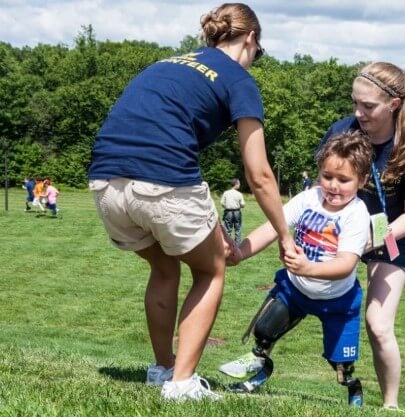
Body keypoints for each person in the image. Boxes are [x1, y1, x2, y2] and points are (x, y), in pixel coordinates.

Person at [87, 3, 295, 402]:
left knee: (165, 267)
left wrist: (215, 230)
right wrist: (284, 236)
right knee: (211, 272)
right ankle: (181, 384)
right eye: (259, 53)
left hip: (105, 183)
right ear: (250, 39)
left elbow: (164, 144)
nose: (255, 60)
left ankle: (162, 368)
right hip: (162, 181)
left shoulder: (165, 64)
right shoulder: (238, 79)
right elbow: (259, 174)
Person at [220, 132, 373, 407]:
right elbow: (273, 226)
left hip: (338, 301)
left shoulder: (357, 213)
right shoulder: (308, 198)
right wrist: (240, 252)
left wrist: (308, 267)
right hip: (296, 291)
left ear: (362, 180)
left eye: (344, 180)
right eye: (327, 176)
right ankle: (260, 368)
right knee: (264, 330)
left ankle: (353, 388)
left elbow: (346, 264)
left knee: (340, 364)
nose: (333, 186)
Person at [319, 62, 405, 410]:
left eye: (367, 106)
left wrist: (370, 239)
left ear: (394, 105)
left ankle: (390, 406)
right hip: (341, 230)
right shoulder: (342, 132)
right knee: (300, 293)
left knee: (378, 324)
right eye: (355, 103)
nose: (358, 113)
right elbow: (323, 185)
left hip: (390, 236)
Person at [220, 178, 245, 245]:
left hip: (228, 212)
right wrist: (240, 206)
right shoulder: (239, 194)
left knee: (227, 230)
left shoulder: (226, 193)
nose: (239, 185)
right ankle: (237, 246)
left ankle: (227, 245)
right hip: (237, 213)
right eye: (239, 183)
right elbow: (243, 204)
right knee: (238, 229)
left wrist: (227, 207)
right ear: (236, 184)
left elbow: (222, 203)